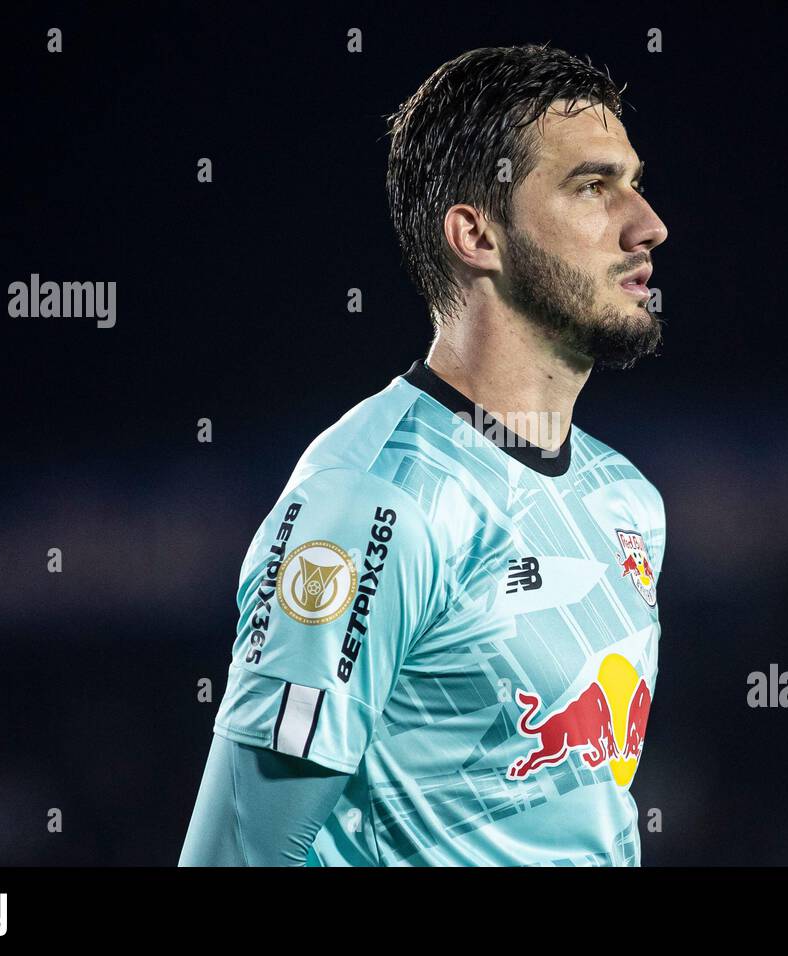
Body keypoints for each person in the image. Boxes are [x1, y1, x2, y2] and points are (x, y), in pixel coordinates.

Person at [180, 42, 669, 866]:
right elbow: (233, 855)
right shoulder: (374, 503)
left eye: (634, 181)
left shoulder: (627, 501)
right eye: (593, 186)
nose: (647, 223)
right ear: (477, 235)